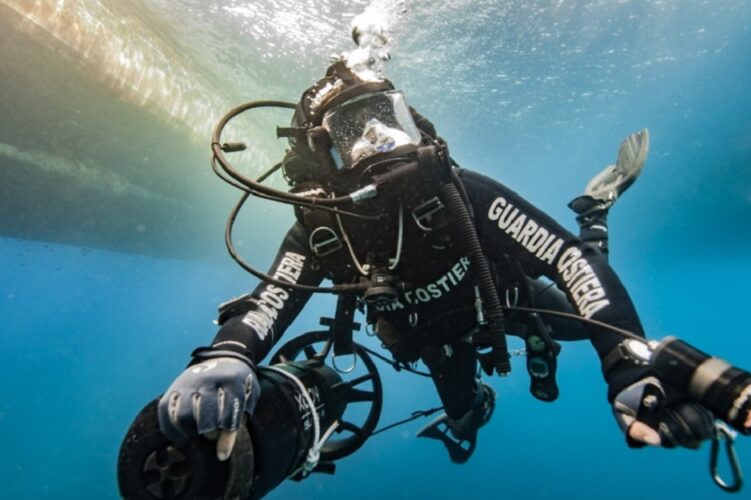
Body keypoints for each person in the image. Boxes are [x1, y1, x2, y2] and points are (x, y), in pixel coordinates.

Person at [157, 26, 719, 466]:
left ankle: (594, 213)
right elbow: (269, 304)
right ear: (318, 158)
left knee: (583, 318)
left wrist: (625, 362)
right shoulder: (322, 229)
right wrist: (230, 352)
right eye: (352, 132)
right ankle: (469, 414)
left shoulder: (460, 193)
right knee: (465, 416)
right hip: (431, 340)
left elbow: (568, 258)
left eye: (388, 119)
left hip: (508, 303)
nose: (378, 139)